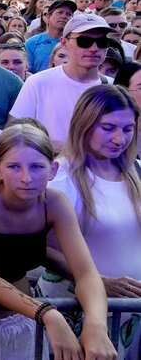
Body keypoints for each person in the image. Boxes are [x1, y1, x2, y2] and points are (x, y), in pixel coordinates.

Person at [0, 123, 116, 360]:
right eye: (14, 167)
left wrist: (96, 325)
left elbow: (86, 273)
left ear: (53, 169)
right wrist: (48, 314)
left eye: (37, 167)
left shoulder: (55, 202)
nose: (26, 178)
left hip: (20, 319)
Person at [42, 85, 141, 357]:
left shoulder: (135, 171)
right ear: (85, 124)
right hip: (77, 313)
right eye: (108, 127)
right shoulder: (61, 178)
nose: (119, 138)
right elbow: (42, 248)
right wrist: (97, 281)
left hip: (130, 316)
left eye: (128, 128)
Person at [10, 13, 116, 150]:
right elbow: (15, 135)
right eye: (84, 41)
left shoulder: (114, 88)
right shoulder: (38, 83)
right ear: (64, 43)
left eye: (102, 42)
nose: (94, 48)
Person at [25, 0, 76, 73]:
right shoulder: (32, 43)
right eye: (60, 12)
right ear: (48, 16)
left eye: (68, 14)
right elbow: (27, 71)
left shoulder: (77, 43)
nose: (64, 16)